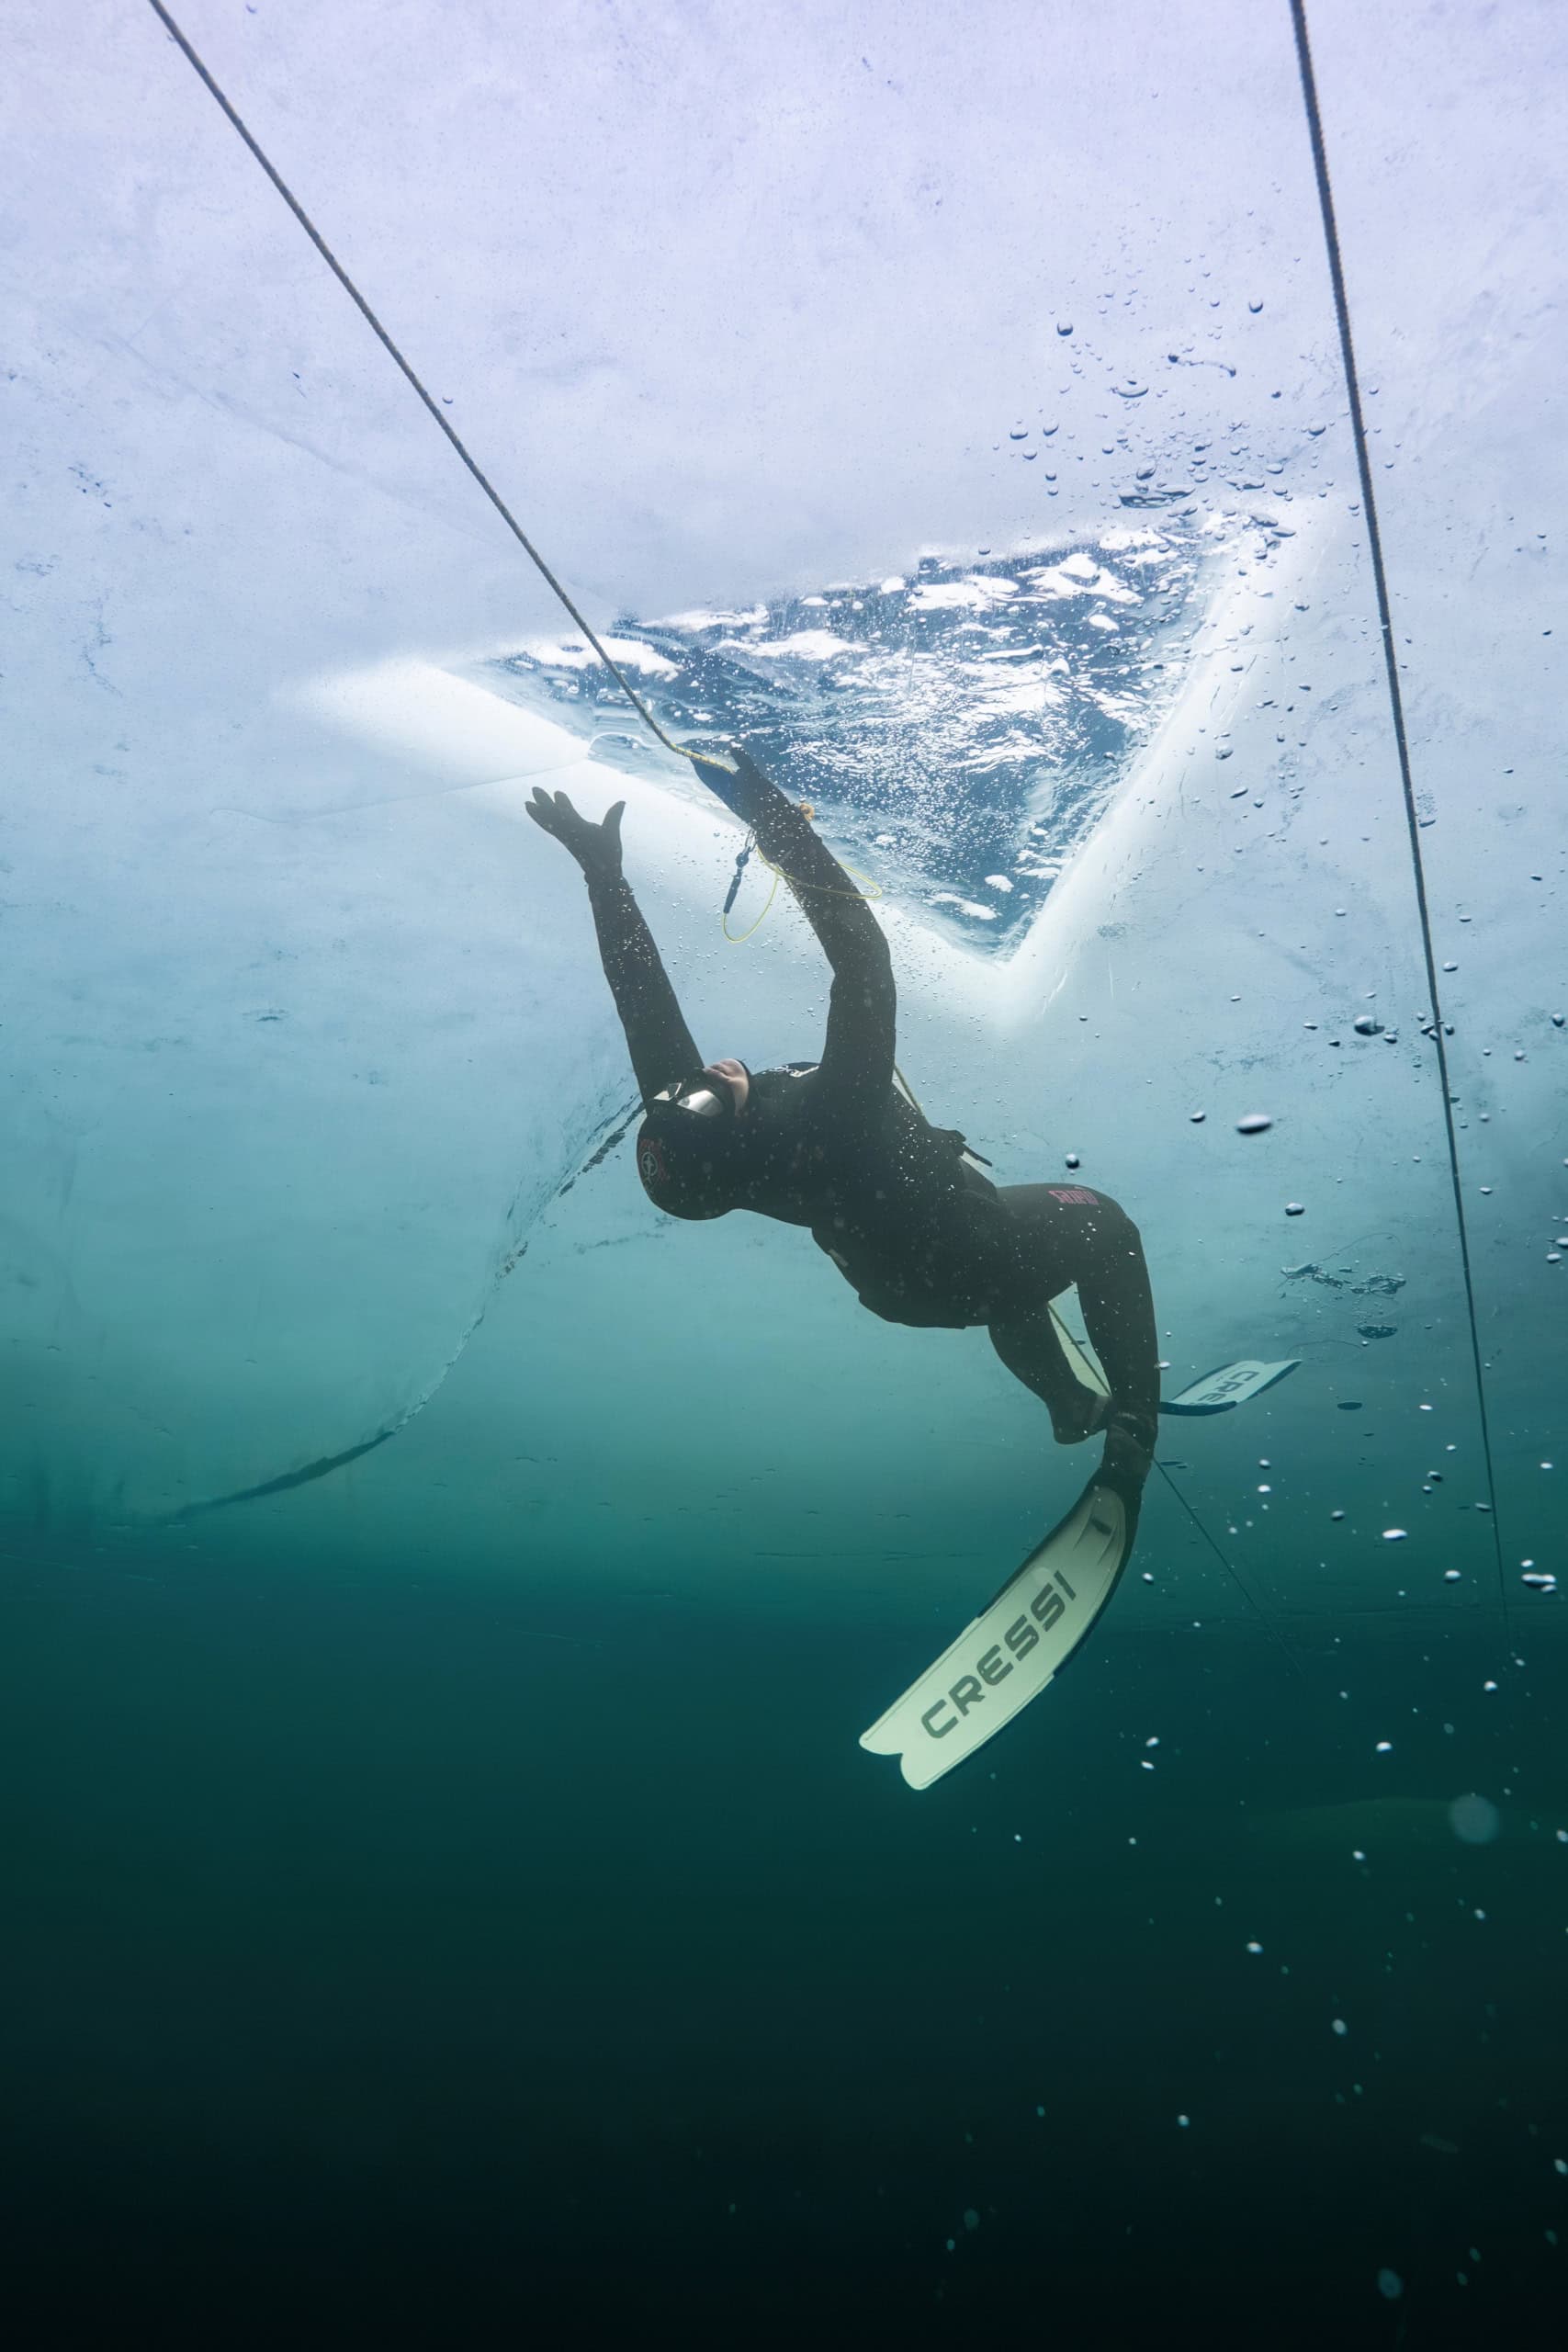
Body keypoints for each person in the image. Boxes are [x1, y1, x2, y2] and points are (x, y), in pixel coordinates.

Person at [526, 741, 1159, 1524]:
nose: (703, 1076)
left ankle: (1067, 1403)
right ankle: (1134, 1422)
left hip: (902, 1290)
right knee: (1100, 1225)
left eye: (677, 1092)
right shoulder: (834, 1112)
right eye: (700, 1100)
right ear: (722, 1143)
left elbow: (641, 1002)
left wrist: (602, 874)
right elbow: (861, 957)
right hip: (974, 1256)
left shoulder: (718, 1149)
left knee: (1000, 1269)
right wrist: (773, 821)